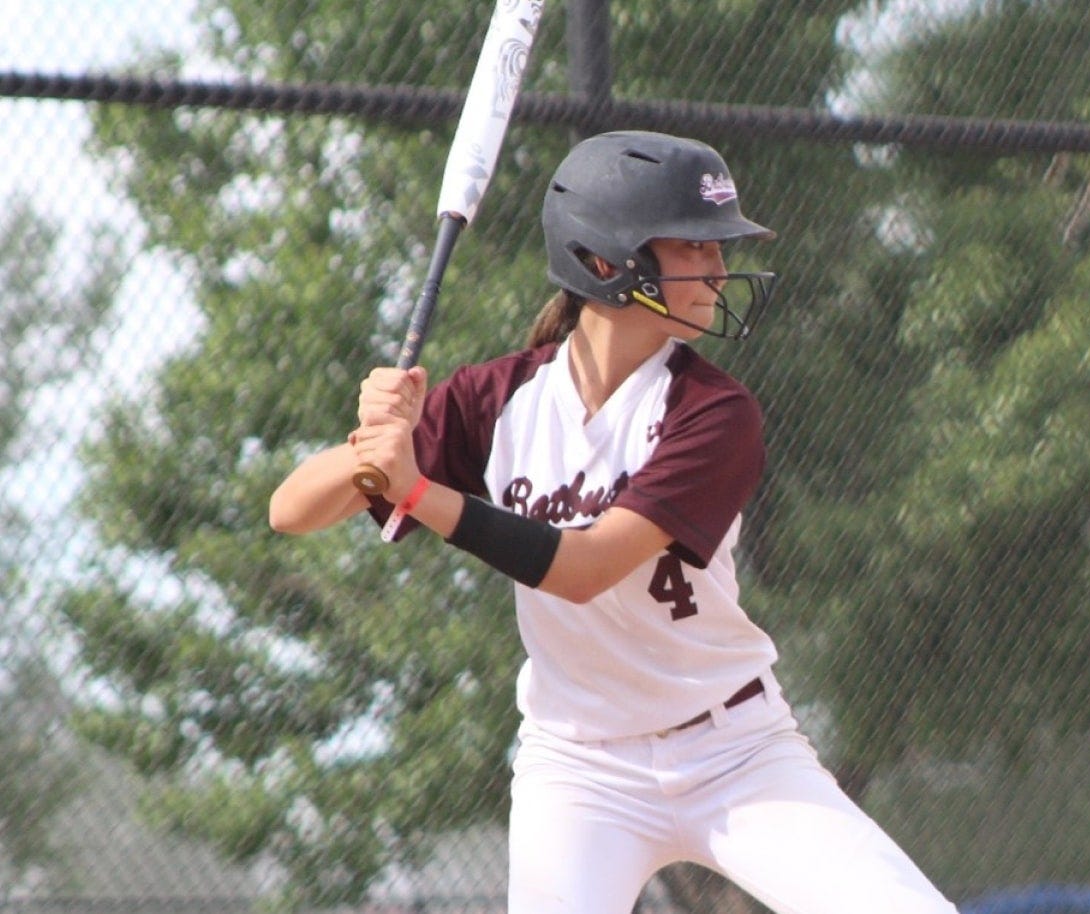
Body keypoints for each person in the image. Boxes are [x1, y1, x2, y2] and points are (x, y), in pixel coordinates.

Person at [270, 130, 958, 914]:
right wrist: (372, 442)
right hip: (579, 771)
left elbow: (585, 570)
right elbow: (290, 509)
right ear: (607, 263)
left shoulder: (714, 413)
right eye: (697, 249)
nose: (720, 271)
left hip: (733, 751)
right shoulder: (498, 399)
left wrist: (418, 491)